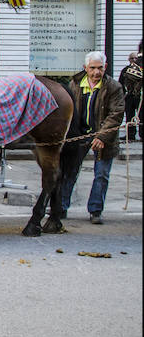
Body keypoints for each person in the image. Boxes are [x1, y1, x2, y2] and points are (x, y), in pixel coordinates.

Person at [59, 51, 125, 224]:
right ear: (85, 68)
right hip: (79, 135)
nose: (96, 72)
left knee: (101, 174)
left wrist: (102, 137)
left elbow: (116, 113)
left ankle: (95, 210)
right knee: (69, 171)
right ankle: (61, 207)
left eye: (100, 68)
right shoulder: (75, 84)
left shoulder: (114, 87)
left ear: (106, 68)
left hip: (103, 136)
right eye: (93, 68)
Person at [118, 51, 142, 141]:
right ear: (129, 59)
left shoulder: (141, 70)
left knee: (141, 116)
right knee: (129, 115)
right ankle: (130, 135)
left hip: (139, 97)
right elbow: (120, 85)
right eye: (132, 58)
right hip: (129, 96)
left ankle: (141, 135)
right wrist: (122, 96)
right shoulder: (125, 70)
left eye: (136, 58)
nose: (134, 60)